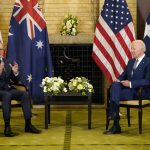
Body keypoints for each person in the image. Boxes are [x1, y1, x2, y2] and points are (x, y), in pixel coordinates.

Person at [104, 40, 150, 134]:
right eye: (131, 48)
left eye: (133, 48)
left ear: (141, 50)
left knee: (113, 95)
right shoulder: (130, 62)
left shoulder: (148, 62)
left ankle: (115, 121)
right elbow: (123, 76)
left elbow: (148, 81)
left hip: (140, 92)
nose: (131, 50)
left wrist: (130, 84)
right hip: (128, 91)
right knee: (115, 85)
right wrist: (118, 80)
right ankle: (115, 117)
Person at [0, 42, 41, 137]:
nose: (1, 52)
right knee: (7, 95)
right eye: (0, 50)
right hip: (2, 91)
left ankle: (28, 124)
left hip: (7, 89)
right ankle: (7, 127)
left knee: (24, 94)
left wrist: (15, 73)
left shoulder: (6, 61)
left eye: (2, 50)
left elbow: (14, 80)